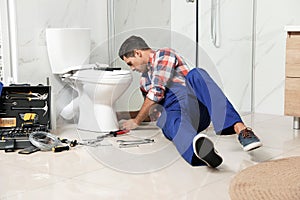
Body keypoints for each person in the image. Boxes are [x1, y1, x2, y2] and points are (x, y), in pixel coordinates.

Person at [118, 35, 262, 168]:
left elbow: (157, 92)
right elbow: (151, 111)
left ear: (138, 53)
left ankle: (242, 130)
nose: (132, 69)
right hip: (175, 115)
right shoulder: (143, 81)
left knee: (196, 74)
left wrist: (136, 121)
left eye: (130, 63)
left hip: (193, 104)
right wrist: (123, 115)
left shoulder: (163, 54)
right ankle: (200, 151)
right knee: (164, 120)